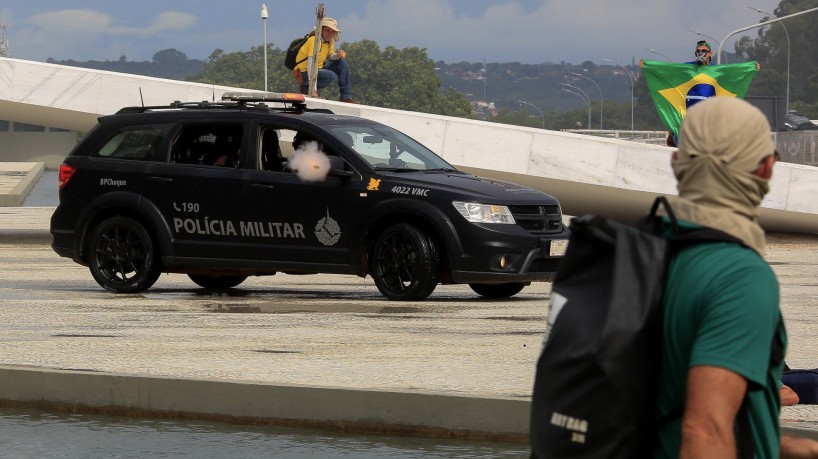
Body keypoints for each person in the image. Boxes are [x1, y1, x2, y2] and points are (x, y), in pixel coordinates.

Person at [653, 96, 818, 457]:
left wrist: (780, 447)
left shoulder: (626, 254)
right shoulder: (737, 274)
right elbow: (704, 431)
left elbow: (667, 407)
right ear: (766, 168)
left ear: (677, 162)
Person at [293, 18, 355, 103]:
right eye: (327, 30)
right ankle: (307, 88)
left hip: (318, 68)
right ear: (321, 30)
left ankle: (346, 97)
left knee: (342, 62)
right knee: (331, 76)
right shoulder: (314, 40)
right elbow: (311, 65)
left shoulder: (329, 41)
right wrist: (313, 91)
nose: (329, 34)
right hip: (304, 72)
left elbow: (330, 56)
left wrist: (338, 55)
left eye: (332, 31)